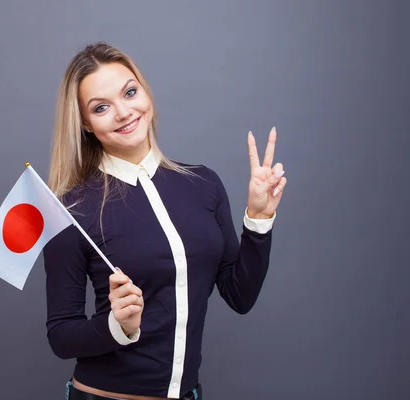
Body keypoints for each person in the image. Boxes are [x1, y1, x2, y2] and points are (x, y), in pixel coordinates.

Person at [43, 42, 287, 400]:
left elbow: (240, 295)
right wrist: (116, 326)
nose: (124, 112)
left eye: (129, 92)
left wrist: (259, 219)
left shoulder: (203, 184)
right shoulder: (70, 209)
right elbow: (61, 336)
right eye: (101, 107)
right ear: (85, 123)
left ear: (145, 91)